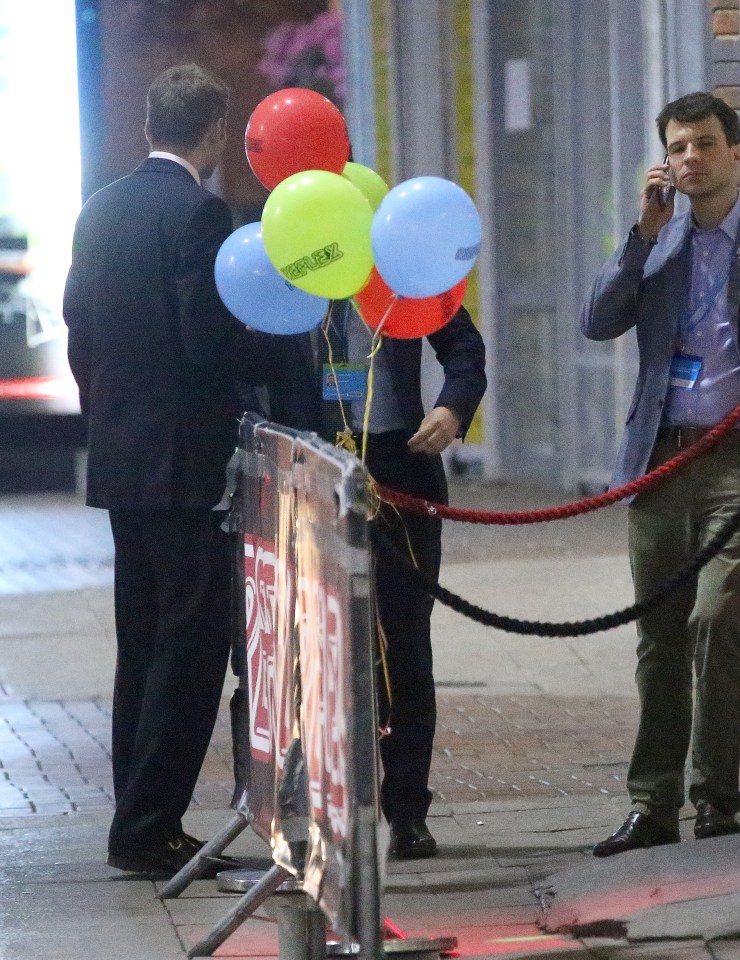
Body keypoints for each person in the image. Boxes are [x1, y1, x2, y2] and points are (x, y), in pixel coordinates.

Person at [581, 92, 740, 856]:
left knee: (718, 620)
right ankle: (654, 804)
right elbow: (599, 320)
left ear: (737, 153)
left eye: (706, 144)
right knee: (660, 637)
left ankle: (717, 795)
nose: (691, 159)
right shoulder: (661, 246)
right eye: (678, 147)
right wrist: (639, 239)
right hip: (662, 458)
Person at [63, 64, 272, 877]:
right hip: (184, 466)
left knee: (141, 644)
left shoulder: (99, 209)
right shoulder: (200, 213)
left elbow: (80, 332)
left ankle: (135, 811)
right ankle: (150, 828)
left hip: (121, 461)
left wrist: (112, 416)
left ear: (151, 123)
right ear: (215, 132)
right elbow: (204, 341)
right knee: (190, 646)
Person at [266, 298, 485, 859]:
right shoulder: (288, 269)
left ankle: (407, 809)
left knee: (406, 643)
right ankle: (326, 807)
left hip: (397, 464)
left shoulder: (395, 273)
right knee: (320, 648)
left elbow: (464, 347)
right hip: (309, 467)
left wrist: (452, 408)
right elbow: (245, 366)